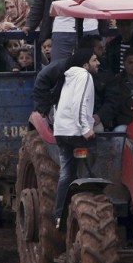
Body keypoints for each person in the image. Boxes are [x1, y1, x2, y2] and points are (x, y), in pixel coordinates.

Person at [51, 47, 99, 226]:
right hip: (76, 133)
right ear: (85, 64)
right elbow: (79, 104)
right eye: (95, 60)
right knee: (87, 172)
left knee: (66, 174)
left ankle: (59, 216)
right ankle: (84, 214)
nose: (98, 63)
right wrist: (86, 128)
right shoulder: (84, 76)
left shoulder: (68, 76)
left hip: (62, 132)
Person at [33, 34, 118, 132]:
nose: (103, 52)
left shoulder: (106, 72)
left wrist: (99, 116)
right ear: (90, 51)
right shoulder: (64, 66)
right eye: (100, 48)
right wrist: (45, 108)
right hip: (65, 120)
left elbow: (113, 99)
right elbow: (42, 79)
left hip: (93, 118)